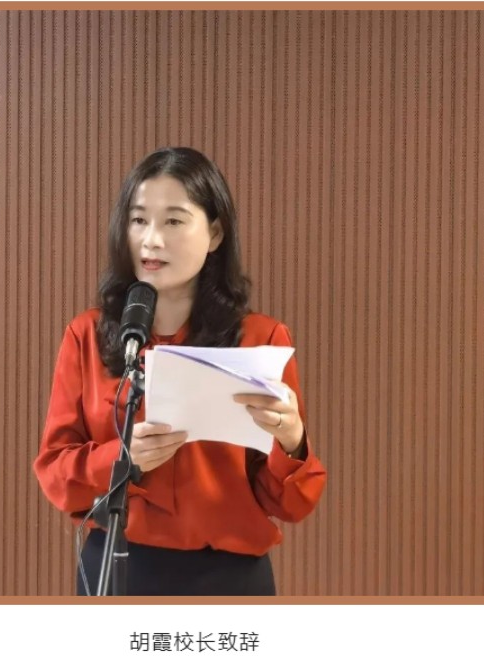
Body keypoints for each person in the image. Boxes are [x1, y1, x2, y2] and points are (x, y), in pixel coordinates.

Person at [33, 147, 327, 596]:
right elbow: (55, 473)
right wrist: (122, 458)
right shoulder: (86, 334)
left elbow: (290, 503)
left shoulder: (261, 339)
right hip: (117, 564)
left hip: (230, 578)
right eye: (138, 220)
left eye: (173, 221)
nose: (151, 239)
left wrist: (292, 441)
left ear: (215, 233)